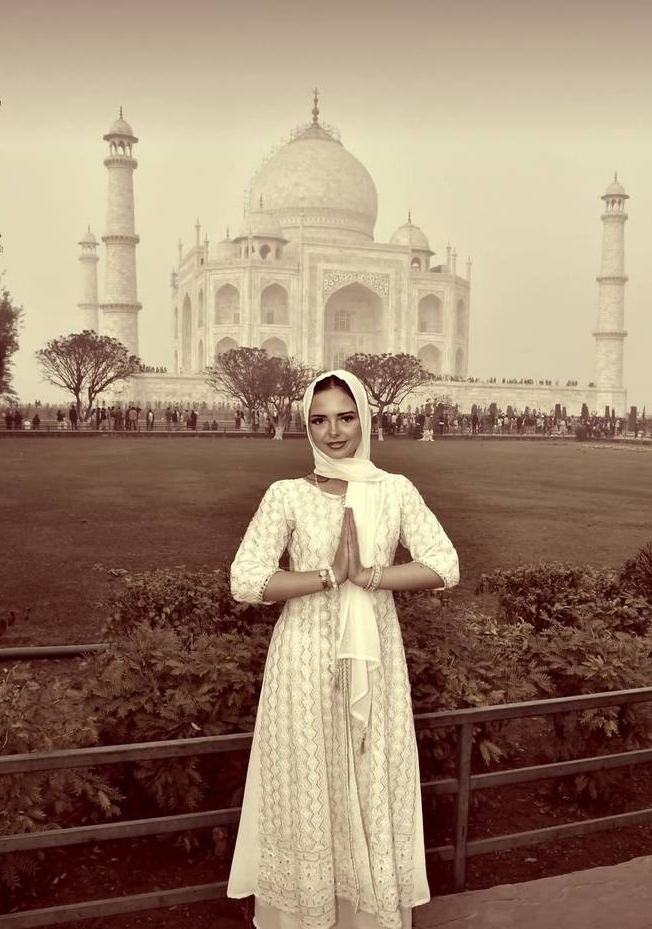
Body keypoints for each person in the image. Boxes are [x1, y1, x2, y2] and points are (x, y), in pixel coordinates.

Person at [227, 369, 459, 929]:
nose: (333, 432)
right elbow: (245, 579)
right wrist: (328, 576)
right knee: (310, 783)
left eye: (345, 417)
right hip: (304, 661)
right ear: (305, 426)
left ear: (365, 420)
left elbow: (444, 565)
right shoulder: (287, 495)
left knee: (370, 775)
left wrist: (371, 575)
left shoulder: (393, 490)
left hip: (374, 660)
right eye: (319, 420)